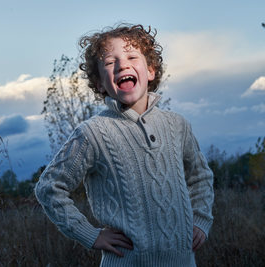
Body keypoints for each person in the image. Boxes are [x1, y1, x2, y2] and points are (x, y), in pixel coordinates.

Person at [35, 24, 214, 267]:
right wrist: (91, 234)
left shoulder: (178, 125)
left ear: (150, 70)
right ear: (99, 84)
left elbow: (200, 176)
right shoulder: (92, 133)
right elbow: (49, 187)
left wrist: (200, 220)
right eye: (110, 62)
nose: (122, 65)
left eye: (132, 57)